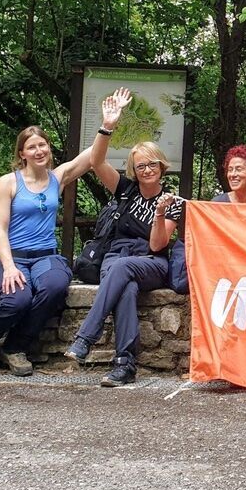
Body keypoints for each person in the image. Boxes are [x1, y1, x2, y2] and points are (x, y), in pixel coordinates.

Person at [0, 88, 131, 378]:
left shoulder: (58, 178)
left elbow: (93, 157)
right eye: (32, 147)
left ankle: (15, 347)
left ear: (48, 148)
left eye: (42, 145)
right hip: (13, 256)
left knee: (54, 288)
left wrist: (108, 124)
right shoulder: (8, 183)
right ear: (22, 154)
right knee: (18, 298)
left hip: (46, 257)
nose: (39, 151)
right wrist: (7, 267)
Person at [63, 138, 186, 387]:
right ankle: (125, 364)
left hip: (151, 262)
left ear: (161, 166)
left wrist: (160, 213)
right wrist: (107, 127)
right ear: (134, 170)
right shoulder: (125, 189)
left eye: (152, 164)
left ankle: (86, 337)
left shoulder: (172, 202)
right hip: (116, 255)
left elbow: (157, 245)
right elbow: (95, 162)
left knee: (122, 269)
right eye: (140, 166)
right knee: (126, 289)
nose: (147, 170)